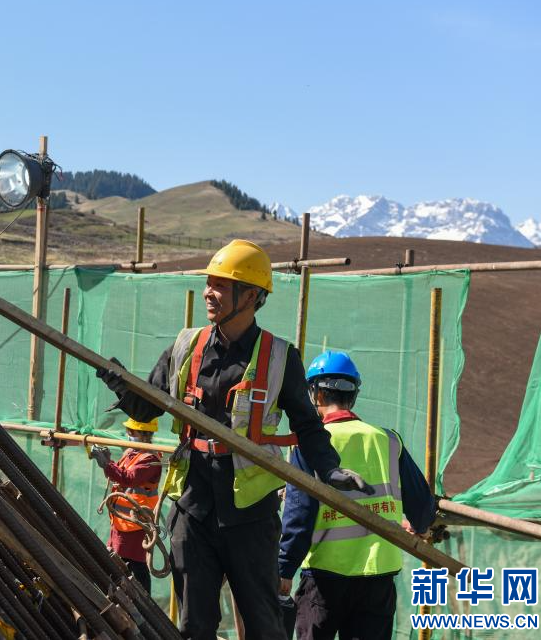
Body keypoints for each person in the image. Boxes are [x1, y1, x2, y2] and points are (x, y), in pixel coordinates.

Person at [97, 239, 371, 639]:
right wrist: (118, 380)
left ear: (252, 296)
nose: (209, 292)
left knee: (264, 626)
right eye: (209, 283)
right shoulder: (186, 347)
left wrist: (330, 469)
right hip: (193, 508)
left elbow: (308, 426)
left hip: (250, 514)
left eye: (221, 285)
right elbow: (147, 407)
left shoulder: (279, 357)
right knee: (194, 626)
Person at [279, 351, 437, 640]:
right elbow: (421, 505)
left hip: (325, 577)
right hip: (378, 578)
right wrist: (421, 525)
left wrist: (285, 568)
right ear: (353, 394)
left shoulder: (309, 445)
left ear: (316, 394)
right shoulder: (389, 440)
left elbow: (299, 513)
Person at [90, 417, 162, 594]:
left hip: (135, 525)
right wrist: (108, 462)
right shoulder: (131, 453)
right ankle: (122, 600)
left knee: (135, 567)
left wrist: (106, 464)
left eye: (132, 431)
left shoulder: (150, 459)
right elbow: (119, 473)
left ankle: (143, 606)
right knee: (118, 563)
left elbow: (128, 479)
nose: (128, 434)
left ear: (144, 434)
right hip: (121, 523)